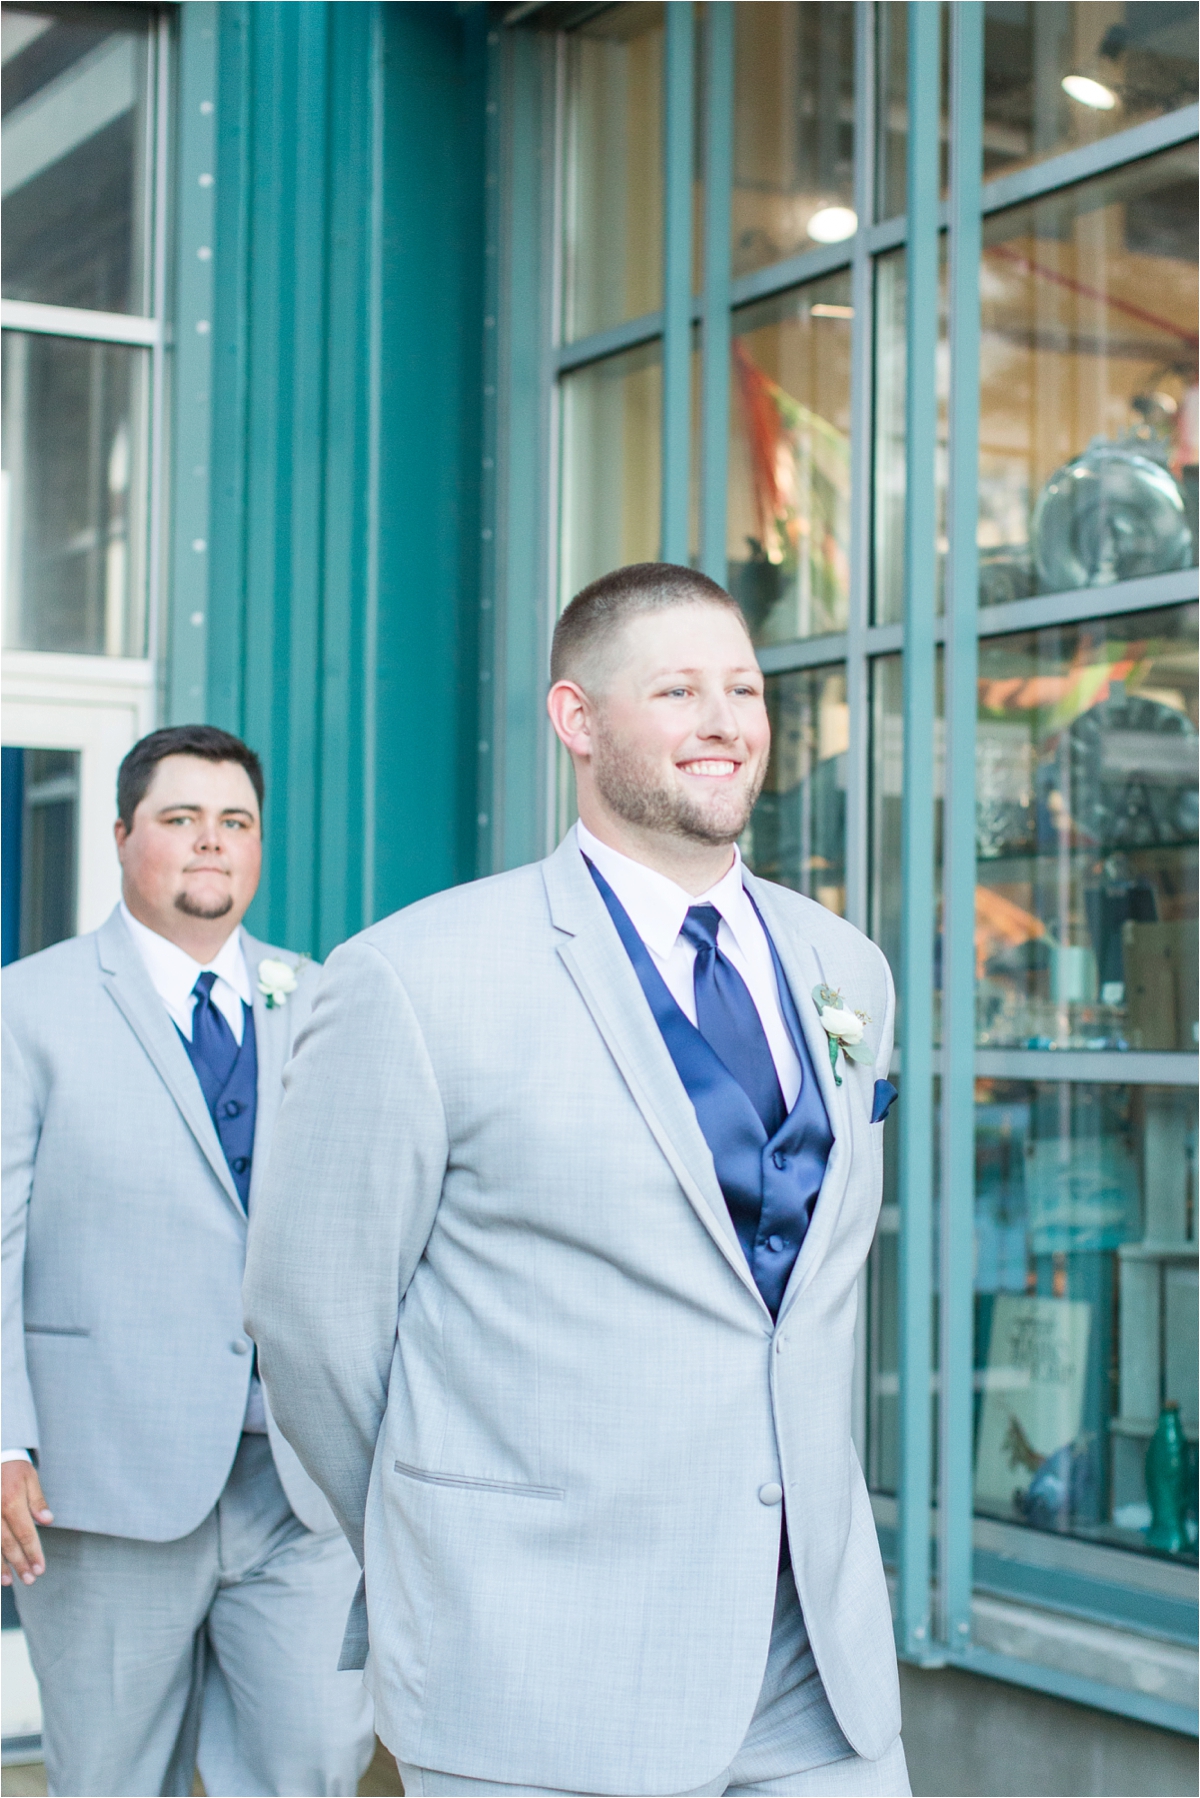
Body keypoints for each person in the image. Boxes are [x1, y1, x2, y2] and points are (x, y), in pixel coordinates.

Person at [244, 564, 907, 1798]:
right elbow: (311, 1324)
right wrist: (445, 1539)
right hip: (540, 1664)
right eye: (678, 690)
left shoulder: (846, 968)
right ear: (576, 720)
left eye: (745, 689)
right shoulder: (415, 977)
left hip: (815, 1662)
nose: (725, 721)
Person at [1, 725, 374, 1798]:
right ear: (123, 838)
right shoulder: (26, 1008)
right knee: (115, 1778)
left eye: (236, 823)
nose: (212, 843)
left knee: (311, 1762)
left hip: (298, 1484)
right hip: (105, 1474)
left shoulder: (323, 1002)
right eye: (180, 819)